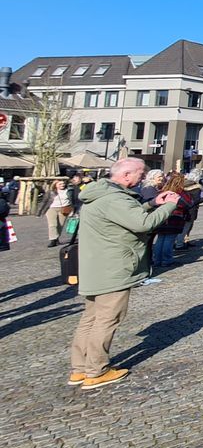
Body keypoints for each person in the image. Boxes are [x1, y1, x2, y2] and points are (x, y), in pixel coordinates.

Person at [68, 158, 180, 390]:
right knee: (107, 320)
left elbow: (125, 217)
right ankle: (96, 371)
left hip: (95, 266)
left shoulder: (99, 194)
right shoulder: (115, 199)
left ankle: (79, 368)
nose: (142, 177)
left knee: (90, 319)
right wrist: (169, 206)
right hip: (114, 267)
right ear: (126, 175)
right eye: (140, 173)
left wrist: (151, 203)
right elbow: (143, 224)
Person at [152, 172, 194, 267]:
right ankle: (166, 260)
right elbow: (188, 204)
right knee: (169, 240)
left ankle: (158, 259)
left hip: (162, 216)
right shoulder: (180, 193)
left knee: (161, 239)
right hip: (175, 218)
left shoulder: (163, 190)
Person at [42, 178, 77, 248]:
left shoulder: (69, 191)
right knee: (52, 224)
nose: (62, 185)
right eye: (60, 184)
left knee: (60, 225)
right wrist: (40, 211)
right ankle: (53, 240)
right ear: (55, 185)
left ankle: (56, 237)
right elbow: (44, 201)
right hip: (52, 208)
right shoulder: (51, 192)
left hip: (64, 208)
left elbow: (73, 200)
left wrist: (73, 209)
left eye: (63, 183)